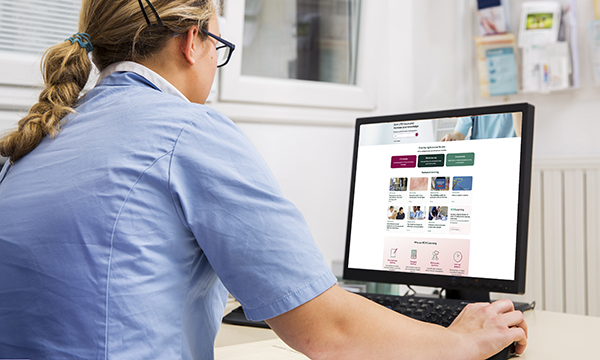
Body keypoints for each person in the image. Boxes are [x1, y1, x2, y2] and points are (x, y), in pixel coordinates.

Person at [0, 1, 527, 359]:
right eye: (219, 47)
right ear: (193, 41)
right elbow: (326, 330)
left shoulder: (34, 139)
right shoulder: (188, 128)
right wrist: (454, 342)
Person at [441, 113, 523, 141]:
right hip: (478, 155)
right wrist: (452, 138)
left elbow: (521, 134)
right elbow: (459, 134)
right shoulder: (473, 100)